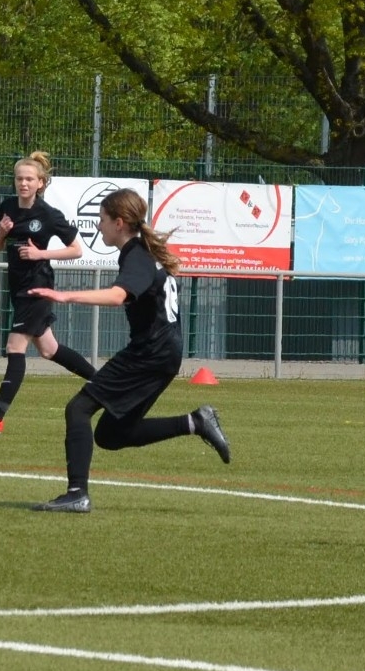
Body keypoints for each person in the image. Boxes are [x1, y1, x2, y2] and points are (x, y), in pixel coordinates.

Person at [25, 188, 229, 513]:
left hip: (150, 352)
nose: (99, 226)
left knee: (78, 409)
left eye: (102, 220)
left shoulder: (137, 255)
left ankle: (77, 494)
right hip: (163, 354)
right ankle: (195, 422)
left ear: (119, 223)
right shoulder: (141, 252)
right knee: (112, 434)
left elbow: (118, 295)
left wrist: (65, 296)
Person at [0, 151, 95, 436]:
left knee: (15, 347)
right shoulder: (7, 207)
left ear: (40, 183)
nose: (23, 183)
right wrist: (1, 232)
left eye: (29, 179)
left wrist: (40, 254)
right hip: (18, 287)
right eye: (19, 178)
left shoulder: (48, 214)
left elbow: (76, 250)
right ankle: (103, 383)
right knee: (49, 349)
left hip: (37, 287)